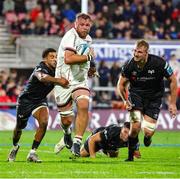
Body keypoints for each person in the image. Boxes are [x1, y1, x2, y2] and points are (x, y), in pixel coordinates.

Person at [117, 40, 177, 161]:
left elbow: (173, 80)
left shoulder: (159, 63)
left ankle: (148, 138)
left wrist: (172, 103)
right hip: (135, 96)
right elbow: (121, 84)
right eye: (134, 51)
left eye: (139, 52)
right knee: (135, 127)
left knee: (148, 131)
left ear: (146, 53)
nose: (136, 54)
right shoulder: (129, 64)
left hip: (154, 98)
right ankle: (130, 157)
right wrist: (125, 100)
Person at [7, 48, 69, 162]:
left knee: (44, 122)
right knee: (20, 127)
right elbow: (42, 78)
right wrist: (59, 81)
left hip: (40, 100)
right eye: (52, 57)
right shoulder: (40, 68)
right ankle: (15, 146)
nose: (55, 59)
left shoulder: (57, 71)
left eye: (56, 57)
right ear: (45, 59)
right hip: (26, 100)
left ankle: (32, 153)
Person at [54, 13, 96, 157]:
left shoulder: (89, 39)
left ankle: (77, 142)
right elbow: (69, 59)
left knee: (84, 105)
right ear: (75, 25)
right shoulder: (70, 36)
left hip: (79, 80)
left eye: (87, 25)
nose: (85, 28)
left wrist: (92, 67)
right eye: (82, 25)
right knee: (66, 120)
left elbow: (85, 58)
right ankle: (67, 133)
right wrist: (89, 57)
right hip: (63, 81)